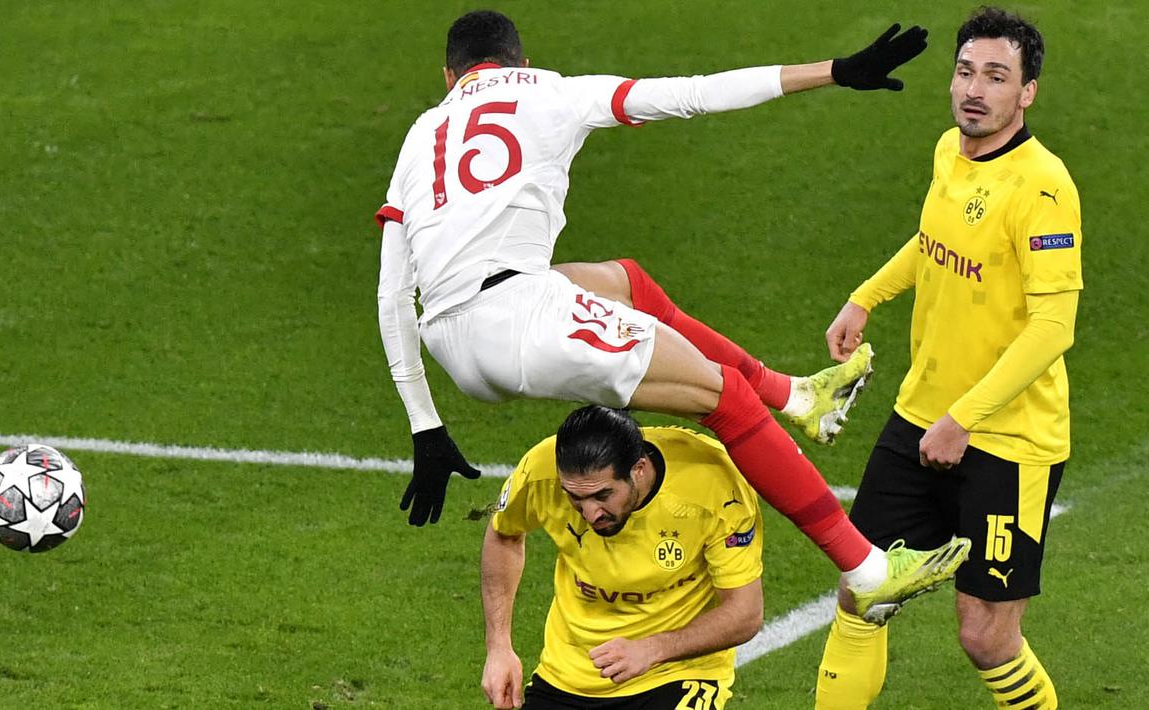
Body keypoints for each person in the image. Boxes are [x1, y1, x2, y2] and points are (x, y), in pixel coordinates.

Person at [376, 10, 969, 621]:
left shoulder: (422, 133)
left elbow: (392, 294)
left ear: (450, 77)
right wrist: (837, 71)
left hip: (452, 343)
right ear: (520, 62)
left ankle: (796, 397)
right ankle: (867, 568)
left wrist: (425, 424)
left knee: (624, 282)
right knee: (727, 399)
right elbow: (694, 94)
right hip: (524, 320)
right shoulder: (553, 92)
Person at [814, 8, 1077, 709]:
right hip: (918, 417)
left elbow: (1052, 328)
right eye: (965, 72)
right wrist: (863, 298)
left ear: (1026, 94)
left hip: (1008, 441)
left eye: (996, 77)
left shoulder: (1043, 190)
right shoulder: (948, 152)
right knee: (861, 590)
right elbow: (933, 239)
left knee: (985, 637)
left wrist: (964, 418)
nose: (974, 90)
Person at [481, 405, 764, 709]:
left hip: (675, 672)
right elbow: (504, 534)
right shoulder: (540, 471)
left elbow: (745, 613)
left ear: (638, 470)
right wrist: (498, 647)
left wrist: (652, 649)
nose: (590, 514)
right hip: (569, 673)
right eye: (575, 498)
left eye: (603, 495)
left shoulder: (710, 483)